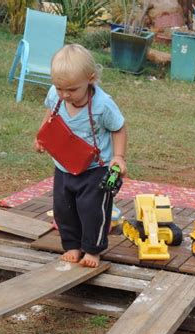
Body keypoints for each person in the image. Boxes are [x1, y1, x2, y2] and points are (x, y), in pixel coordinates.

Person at [34, 44, 127, 268]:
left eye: (72, 90)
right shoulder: (56, 95)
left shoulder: (103, 105)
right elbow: (50, 114)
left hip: (96, 168)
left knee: (92, 209)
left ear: (91, 79)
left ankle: (93, 250)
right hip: (65, 165)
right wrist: (41, 136)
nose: (65, 95)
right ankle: (72, 246)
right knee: (63, 208)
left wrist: (119, 156)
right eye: (59, 88)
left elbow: (119, 128)